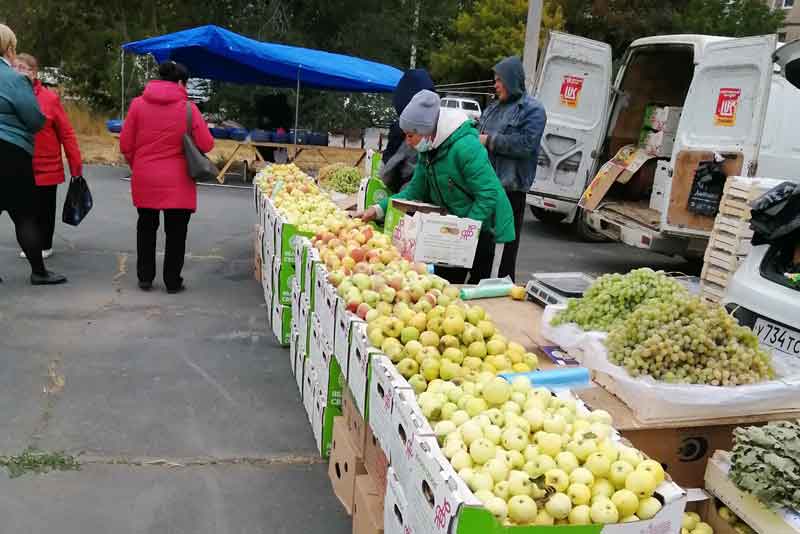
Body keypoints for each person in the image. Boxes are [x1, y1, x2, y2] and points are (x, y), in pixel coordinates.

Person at [360, 89, 515, 284]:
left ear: (426, 129)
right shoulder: (428, 152)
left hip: (490, 231)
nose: (407, 142)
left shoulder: (465, 147)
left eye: (410, 135)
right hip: (459, 231)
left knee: (485, 292)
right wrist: (377, 210)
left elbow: (488, 193)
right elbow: (414, 192)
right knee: (449, 288)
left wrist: (466, 230)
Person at [119, 61, 214, 293]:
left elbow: (125, 144)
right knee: (176, 232)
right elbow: (206, 144)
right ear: (181, 82)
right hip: (178, 180)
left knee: (146, 227)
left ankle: (145, 277)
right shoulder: (189, 109)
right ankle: (172, 281)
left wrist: (138, 164)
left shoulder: (137, 105)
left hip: (145, 176)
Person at [0, 24, 66, 285]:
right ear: (10, 47)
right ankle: (39, 271)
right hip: (11, 154)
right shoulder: (15, 79)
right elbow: (35, 120)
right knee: (24, 215)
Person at [479, 56, 547, 282]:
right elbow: (478, 132)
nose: (495, 85)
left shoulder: (533, 110)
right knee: (481, 250)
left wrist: (489, 140)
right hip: (484, 189)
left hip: (510, 191)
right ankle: (479, 286)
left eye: (499, 80)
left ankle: (501, 294)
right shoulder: (493, 108)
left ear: (512, 80)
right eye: (494, 80)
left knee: (504, 253)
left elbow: (526, 145)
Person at [15, 53, 83, 260]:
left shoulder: (49, 98)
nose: (17, 71)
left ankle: (45, 244)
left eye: (22, 68)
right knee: (24, 208)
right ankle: (30, 243)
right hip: (20, 163)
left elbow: (66, 133)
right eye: (15, 67)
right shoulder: (9, 95)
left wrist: (75, 165)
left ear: (33, 73)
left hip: (46, 165)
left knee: (44, 209)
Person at [380, 69, 435, 193]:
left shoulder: (401, 129)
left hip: (409, 194)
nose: (409, 141)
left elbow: (386, 173)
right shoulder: (437, 125)